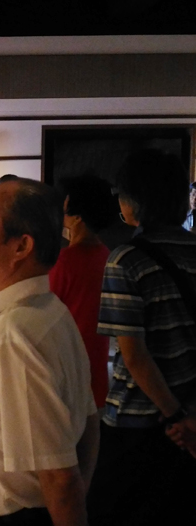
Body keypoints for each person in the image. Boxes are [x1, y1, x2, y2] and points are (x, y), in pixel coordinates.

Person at [0, 178, 99, 526]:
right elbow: (88, 421)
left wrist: (73, 504)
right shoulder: (52, 312)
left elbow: (60, 476)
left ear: (21, 246)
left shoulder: (14, 335)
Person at [87, 150, 196, 525]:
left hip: (139, 419)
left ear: (134, 201)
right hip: (189, 419)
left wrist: (174, 415)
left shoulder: (125, 260)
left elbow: (134, 356)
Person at [49, 175, 116, 409]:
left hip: (66, 364)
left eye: (65, 206)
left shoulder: (64, 262)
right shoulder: (107, 256)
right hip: (96, 363)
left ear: (77, 216)